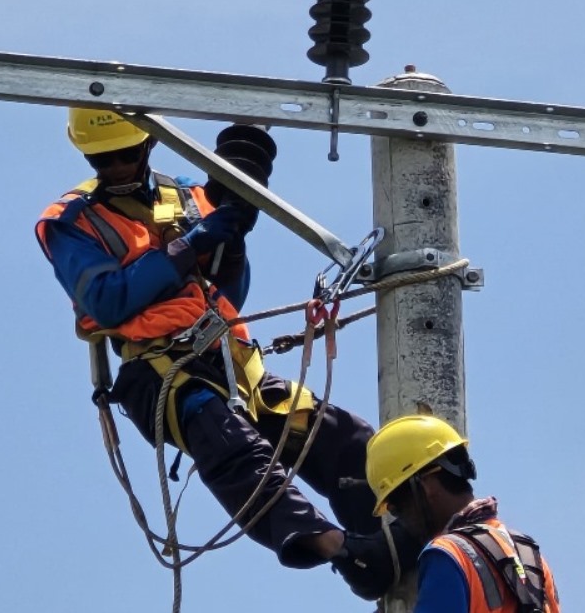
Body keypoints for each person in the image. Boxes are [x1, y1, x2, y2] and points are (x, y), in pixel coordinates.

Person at [36, 108, 416, 600]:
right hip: (159, 372)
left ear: (148, 145)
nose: (117, 167)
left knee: (337, 435)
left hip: (230, 359)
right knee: (232, 446)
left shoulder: (189, 197)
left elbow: (229, 293)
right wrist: (191, 245)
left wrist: (229, 244)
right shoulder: (71, 220)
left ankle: (398, 532)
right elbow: (109, 300)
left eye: (126, 155)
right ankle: (341, 550)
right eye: (103, 159)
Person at [366, 415, 562, 612]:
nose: (401, 520)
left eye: (397, 507)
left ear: (426, 486)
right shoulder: (530, 557)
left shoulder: (448, 553)